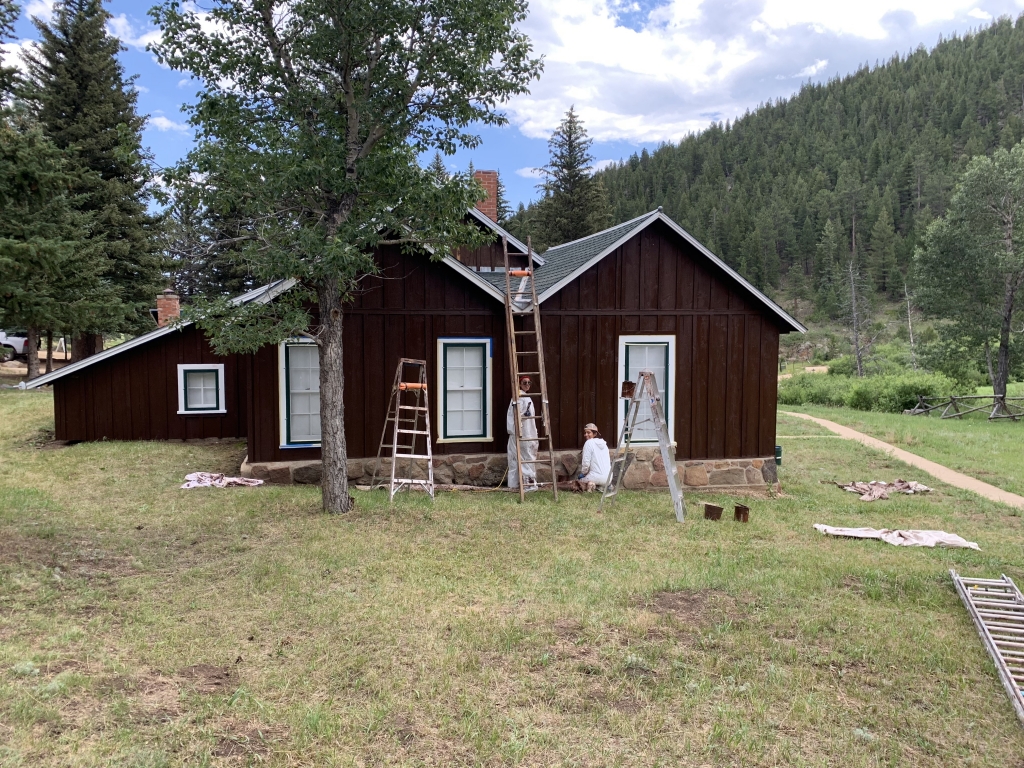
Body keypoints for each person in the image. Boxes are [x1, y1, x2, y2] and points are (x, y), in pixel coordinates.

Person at [506, 375, 538, 490]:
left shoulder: (525, 397)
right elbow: (514, 415)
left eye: (529, 383)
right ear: (520, 384)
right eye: (525, 382)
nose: (527, 385)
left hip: (526, 430)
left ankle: (516, 484)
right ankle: (527, 484)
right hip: (521, 432)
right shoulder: (519, 397)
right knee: (523, 457)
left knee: (520, 457)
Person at [576, 423, 611, 491]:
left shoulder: (588, 443)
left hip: (596, 477)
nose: (586, 435)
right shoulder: (604, 444)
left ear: (595, 434)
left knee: (579, 479)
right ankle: (602, 487)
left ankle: (592, 485)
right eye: (585, 433)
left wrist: (584, 473)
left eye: (588, 432)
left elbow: (586, 463)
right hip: (609, 478)